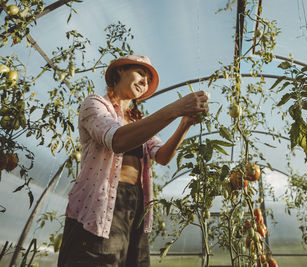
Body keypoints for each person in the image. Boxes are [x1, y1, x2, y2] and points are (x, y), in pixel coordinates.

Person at [57, 54, 209, 267]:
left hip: (135, 205)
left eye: (148, 79)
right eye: (140, 73)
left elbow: (162, 156)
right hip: (101, 204)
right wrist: (175, 108)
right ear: (120, 71)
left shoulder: (139, 121)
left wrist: (184, 123)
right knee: (96, 259)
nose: (144, 82)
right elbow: (117, 140)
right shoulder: (96, 104)